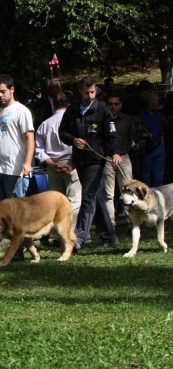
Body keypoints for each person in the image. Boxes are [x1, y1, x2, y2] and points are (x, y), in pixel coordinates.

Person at [59, 76, 122, 251]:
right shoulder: (72, 111)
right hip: (80, 160)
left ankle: (79, 238)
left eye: (93, 92)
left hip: (96, 160)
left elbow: (112, 134)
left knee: (87, 196)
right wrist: (73, 140)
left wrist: (116, 152)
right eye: (87, 92)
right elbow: (62, 132)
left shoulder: (102, 110)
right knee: (96, 196)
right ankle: (110, 237)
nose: (90, 95)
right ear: (80, 92)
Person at [0, 74, 35, 207]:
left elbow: (29, 137)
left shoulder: (21, 111)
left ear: (12, 89)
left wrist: (28, 163)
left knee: (16, 213)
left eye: (3, 91)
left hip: (15, 169)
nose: (0, 95)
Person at [34, 92, 81, 230]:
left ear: (53, 105)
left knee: (56, 202)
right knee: (74, 200)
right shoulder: (74, 121)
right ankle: (69, 231)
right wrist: (71, 163)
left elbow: (38, 149)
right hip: (71, 163)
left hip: (53, 165)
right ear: (69, 105)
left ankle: (58, 232)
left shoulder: (45, 124)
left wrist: (51, 163)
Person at [103, 91, 134, 226]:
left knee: (129, 190)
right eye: (110, 104)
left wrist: (122, 153)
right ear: (106, 105)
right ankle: (110, 224)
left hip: (124, 157)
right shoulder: (101, 119)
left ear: (120, 105)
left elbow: (130, 138)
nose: (113, 107)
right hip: (107, 158)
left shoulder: (127, 119)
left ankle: (131, 222)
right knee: (108, 194)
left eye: (116, 104)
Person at [140, 92, 166, 187]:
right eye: (155, 101)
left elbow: (161, 131)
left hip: (159, 148)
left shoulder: (158, 114)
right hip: (147, 149)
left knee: (158, 177)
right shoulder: (142, 114)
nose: (157, 103)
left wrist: (162, 147)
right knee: (146, 177)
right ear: (150, 102)